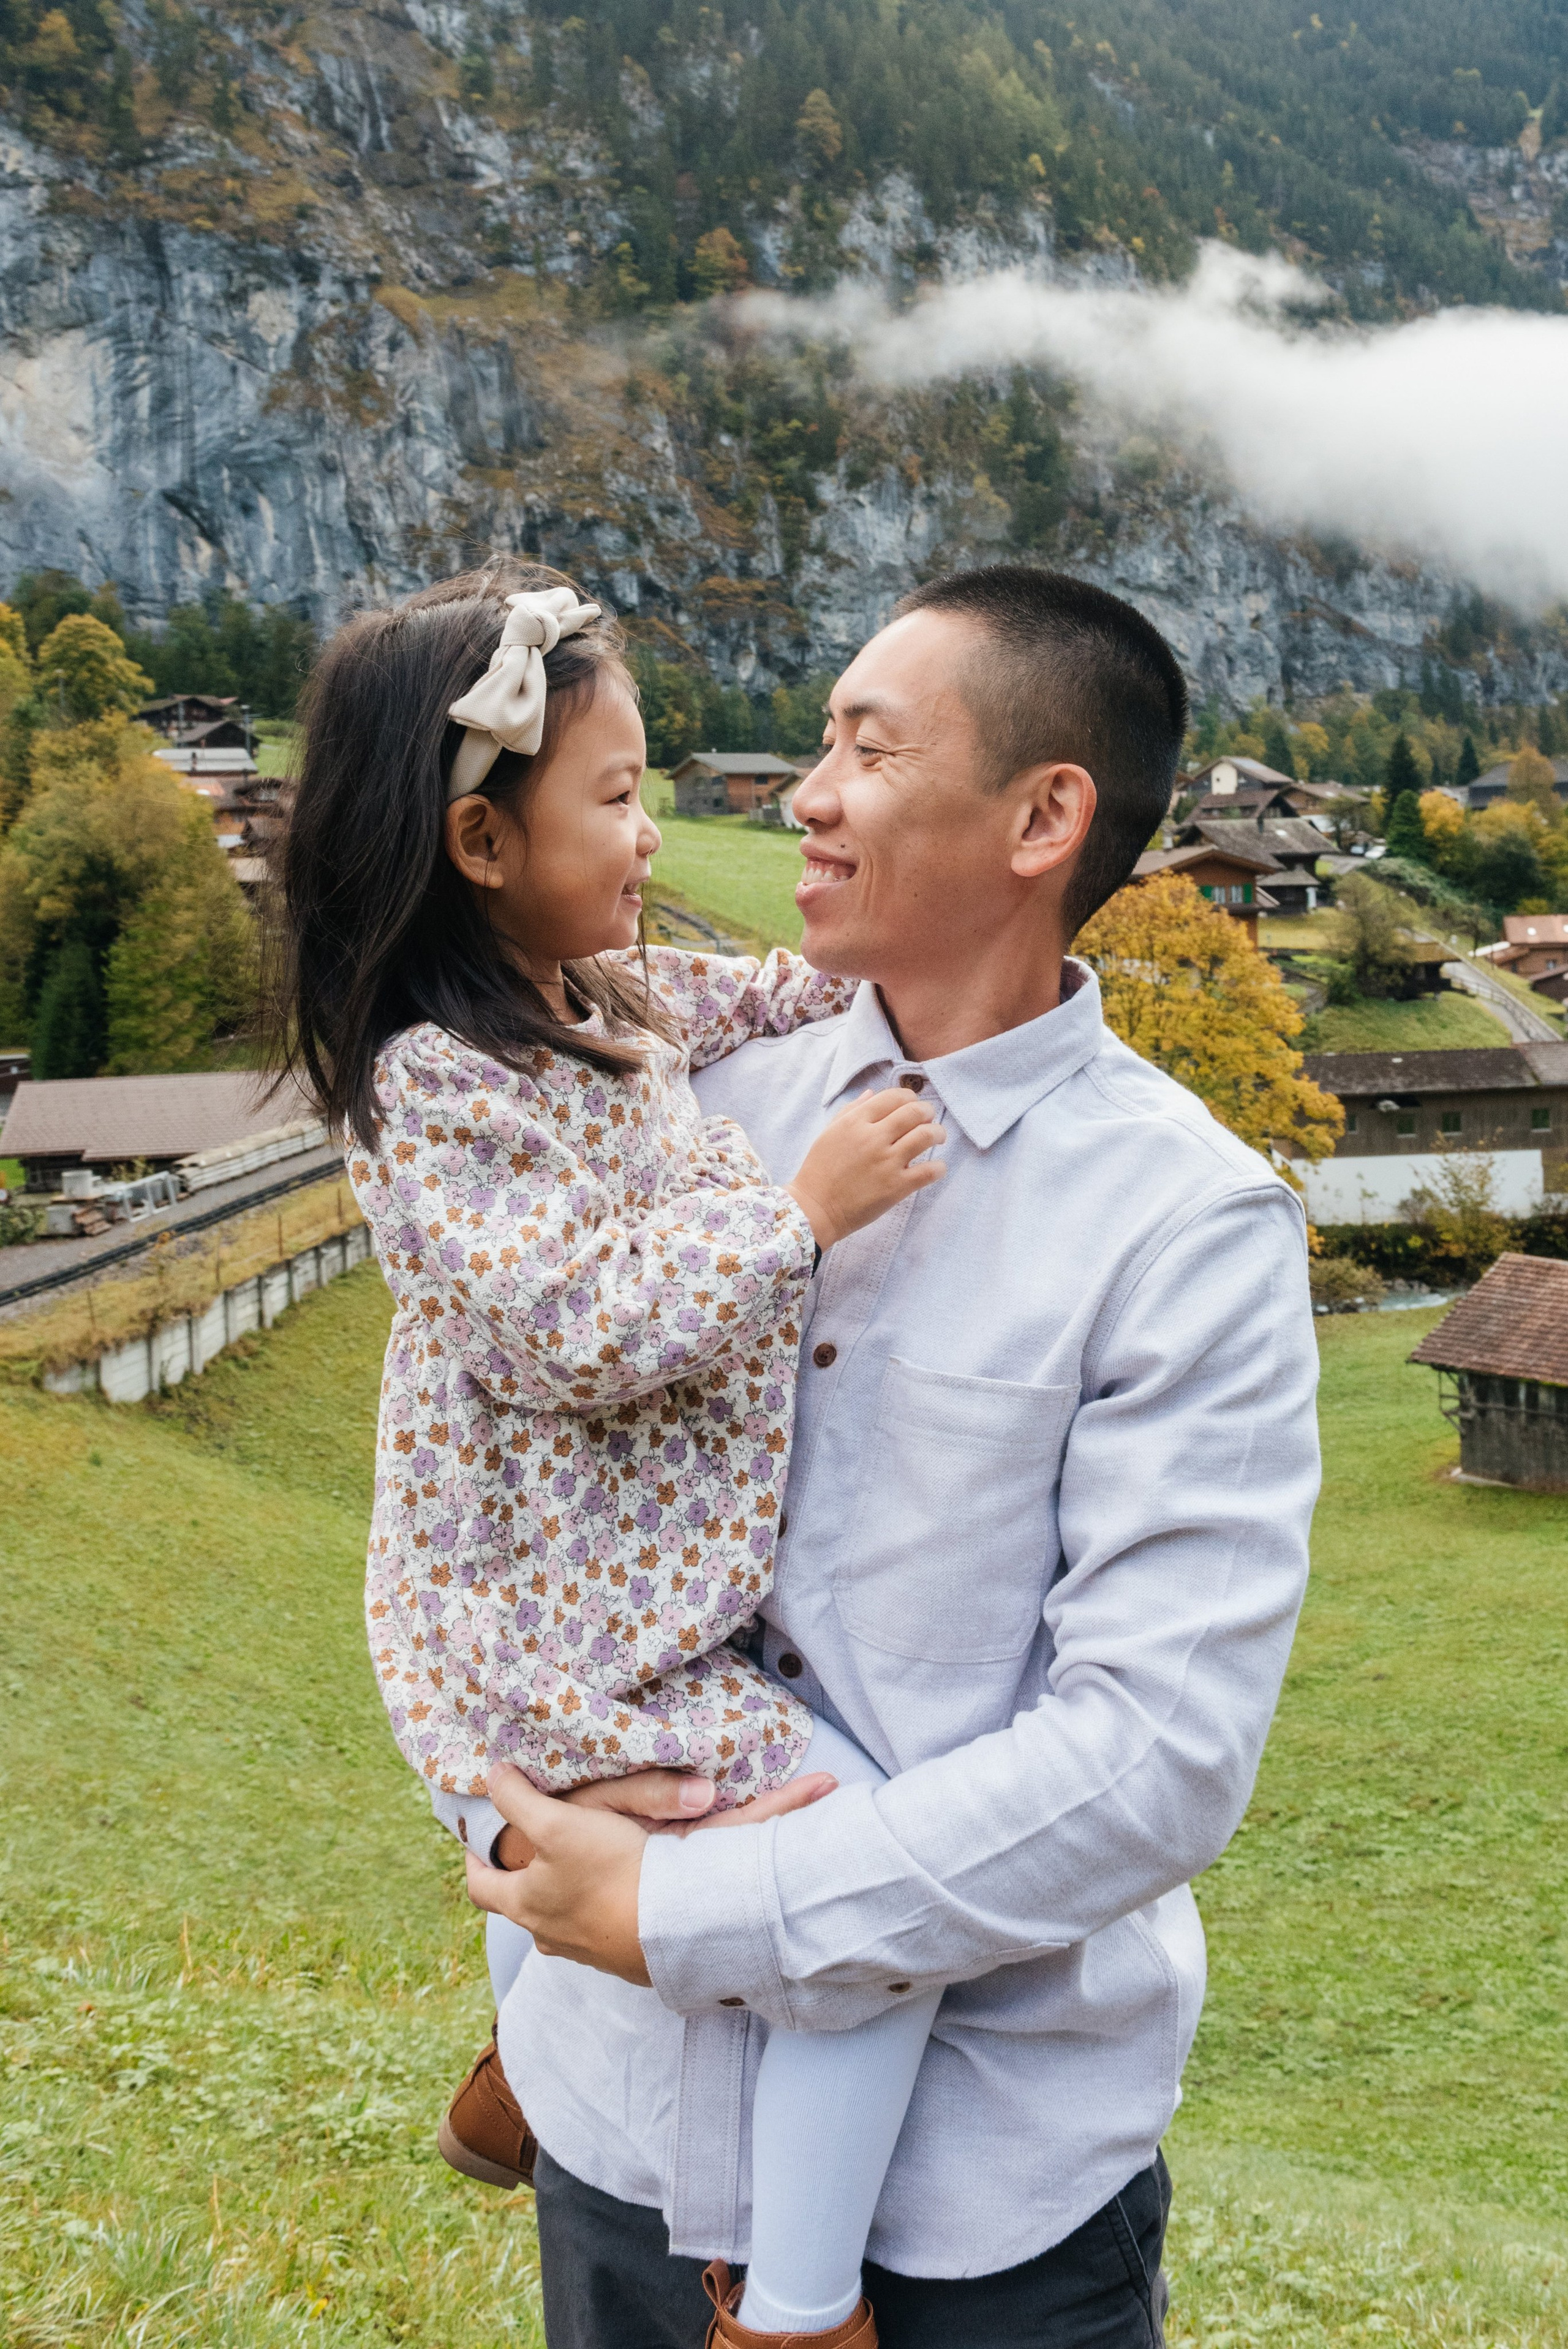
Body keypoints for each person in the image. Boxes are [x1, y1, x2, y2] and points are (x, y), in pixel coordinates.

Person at [464, 563, 1322, 2349]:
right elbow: (494, 1481)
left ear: (1042, 816)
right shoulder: (680, 1102)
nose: (805, 789)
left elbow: (1151, 1762)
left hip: (976, 2214)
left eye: (866, 743)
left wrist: (697, 1902)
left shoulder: (1188, 1222)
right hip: (615, 2124)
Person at [274, 560, 986, 2348]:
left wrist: (963, 985)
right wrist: (797, 1216)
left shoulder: (586, 987)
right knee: (860, 1877)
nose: (653, 828)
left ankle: (530, 2066)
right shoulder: (430, 1083)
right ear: (482, 842)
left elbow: (744, 999)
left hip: (614, 1592)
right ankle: (801, 2308)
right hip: (555, 1638)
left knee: (673, 1883)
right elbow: (571, 1324)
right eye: (616, 792)